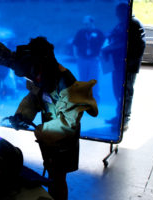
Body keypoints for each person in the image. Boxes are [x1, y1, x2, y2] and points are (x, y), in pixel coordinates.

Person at [7, 37, 98, 200]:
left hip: (65, 139)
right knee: (50, 169)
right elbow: (34, 98)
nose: (31, 77)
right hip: (48, 133)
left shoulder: (66, 81)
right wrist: (21, 115)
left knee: (58, 176)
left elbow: (69, 121)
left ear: (41, 63)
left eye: (32, 72)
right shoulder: (38, 74)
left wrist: (43, 131)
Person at [72, 15, 105, 102]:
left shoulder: (98, 33)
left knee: (93, 79)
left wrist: (100, 56)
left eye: (87, 24)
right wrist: (76, 55)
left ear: (92, 22)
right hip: (82, 59)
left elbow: (104, 45)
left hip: (94, 59)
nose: (85, 26)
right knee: (83, 79)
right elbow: (75, 44)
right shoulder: (81, 32)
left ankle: (95, 99)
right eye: (84, 24)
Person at [123, 15, 146, 130]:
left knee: (127, 92)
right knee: (121, 93)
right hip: (122, 66)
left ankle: (125, 119)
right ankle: (119, 117)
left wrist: (129, 63)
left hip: (129, 67)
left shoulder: (133, 23)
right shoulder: (124, 22)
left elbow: (139, 47)